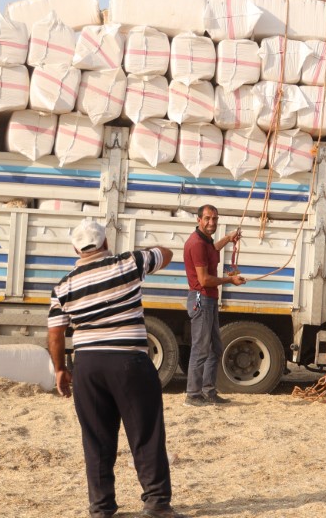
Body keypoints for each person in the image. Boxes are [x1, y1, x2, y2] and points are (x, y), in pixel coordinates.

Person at [48, 218, 187, 518]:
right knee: (146, 432)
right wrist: (134, 254)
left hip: (87, 366)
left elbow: (56, 333)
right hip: (129, 361)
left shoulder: (63, 286)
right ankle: (157, 503)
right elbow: (166, 253)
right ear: (106, 243)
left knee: (96, 438)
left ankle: (101, 508)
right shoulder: (128, 263)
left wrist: (60, 369)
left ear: (75, 248)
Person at [183, 204, 246, 407]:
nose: (212, 223)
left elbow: (213, 249)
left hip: (209, 299)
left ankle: (208, 392)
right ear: (198, 219)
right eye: (208, 218)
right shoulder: (197, 244)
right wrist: (230, 281)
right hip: (202, 299)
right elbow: (204, 280)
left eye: (215, 219)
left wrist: (228, 239)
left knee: (215, 348)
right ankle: (193, 395)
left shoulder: (205, 240)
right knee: (201, 349)